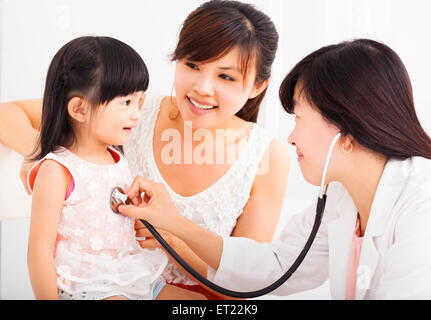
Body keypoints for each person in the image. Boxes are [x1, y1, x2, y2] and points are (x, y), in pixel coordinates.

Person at [0, 0, 290, 299]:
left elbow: (240, 287)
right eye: (192, 65)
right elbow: (7, 115)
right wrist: (44, 154)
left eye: (225, 76)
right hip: (102, 285)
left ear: (257, 86)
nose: (203, 87)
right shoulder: (131, 112)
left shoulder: (267, 156)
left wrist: (171, 240)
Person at [118, 39, 431, 299]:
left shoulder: (422, 205)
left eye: (298, 117)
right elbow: (276, 266)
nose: (291, 138)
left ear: (346, 132)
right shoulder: (340, 195)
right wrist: (175, 225)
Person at [21, 36, 205, 300]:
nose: (136, 114)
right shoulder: (57, 170)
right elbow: (38, 251)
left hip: (133, 275)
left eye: (139, 101)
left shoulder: (117, 157)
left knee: (196, 301)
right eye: (126, 103)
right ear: (80, 109)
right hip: (90, 285)